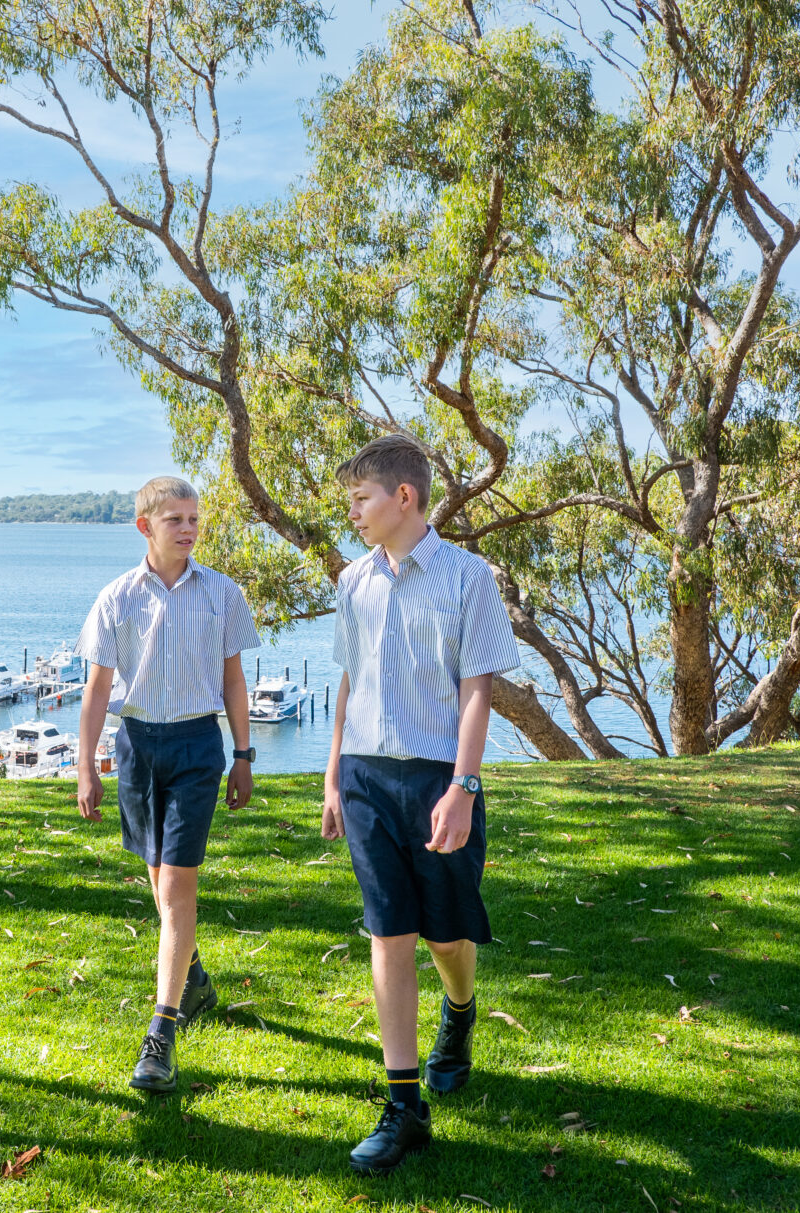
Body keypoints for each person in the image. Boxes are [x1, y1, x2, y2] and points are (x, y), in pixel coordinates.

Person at [320, 434, 521, 1177]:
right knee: (389, 933)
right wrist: (334, 776)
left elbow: (479, 692)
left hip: (440, 774)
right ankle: (405, 1106)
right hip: (368, 776)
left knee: (445, 937)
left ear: (404, 497)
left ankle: (460, 1009)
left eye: (361, 498)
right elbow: (349, 681)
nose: (353, 512)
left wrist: (463, 788)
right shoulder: (352, 580)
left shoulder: (469, 578)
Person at [73, 475, 260, 1094]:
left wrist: (244, 754)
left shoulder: (222, 594)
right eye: (174, 519)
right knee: (156, 876)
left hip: (197, 745)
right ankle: (194, 977)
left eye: (194, 519)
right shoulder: (117, 598)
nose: (187, 528)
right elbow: (99, 688)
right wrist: (84, 764)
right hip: (137, 746)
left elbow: (235, 680)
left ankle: (162, 1031)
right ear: (145, 527)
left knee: (178, 883)